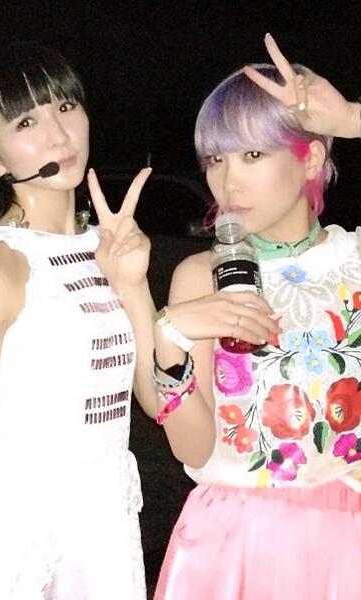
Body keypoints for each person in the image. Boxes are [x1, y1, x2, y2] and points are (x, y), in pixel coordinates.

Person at [0, 41, 159, 600]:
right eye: (27, 121)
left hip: (100, 536)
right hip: (12, 540)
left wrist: (134, 285)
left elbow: (153, 399)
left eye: (66, 107)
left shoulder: (109, 246)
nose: (59, 135)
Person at [149, 59, 361, 600]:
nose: (228, 181)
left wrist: (353, 120)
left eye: (252, 155)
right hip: (235, 546)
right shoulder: (200, 276)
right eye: (215, 159)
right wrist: (168, 336)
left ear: (310, 157)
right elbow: (195, 451)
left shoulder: (355, 260)